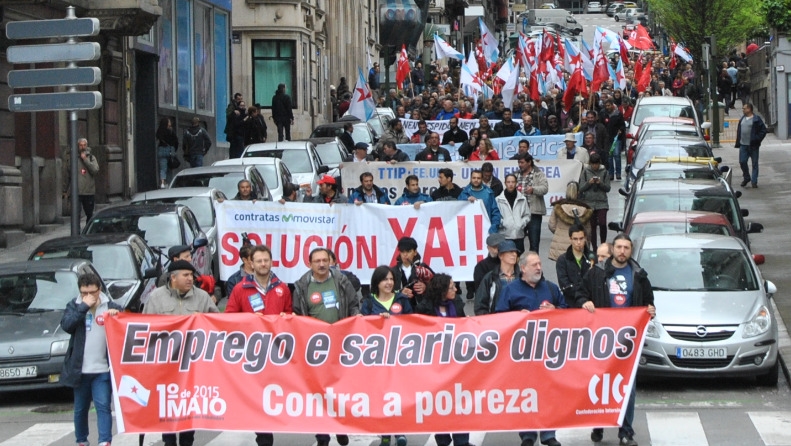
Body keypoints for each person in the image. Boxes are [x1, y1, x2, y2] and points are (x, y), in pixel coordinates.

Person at [576, 233, 656, 446]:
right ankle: (598, 423)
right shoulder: (597, 273)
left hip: (628, 341)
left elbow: (649, 302)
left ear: (631, 250)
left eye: (626, 248)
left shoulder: (639, 275)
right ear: (613, 249)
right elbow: (580, 293)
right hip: (602, 339)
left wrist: (650, 310)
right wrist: (585, 302)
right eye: (619, 247)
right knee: (600, 382)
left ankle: (626, 432)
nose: (622, 251)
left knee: (627, 386)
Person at [144, 260, 219, 446]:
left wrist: (204, 319)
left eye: (191, 275)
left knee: (188, 408)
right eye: (185, 275)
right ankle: (169, 440)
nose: (190, 279)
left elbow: (218, 324)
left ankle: (187, 441)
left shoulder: (202, 297)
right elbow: (145, 327)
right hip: (165, 365)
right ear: (173, 277)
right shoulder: (156, 297)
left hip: (192, 365)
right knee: (167, 408)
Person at [494, 251, 565, 446]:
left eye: (540, 264)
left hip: (547, 351)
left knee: (548, 393)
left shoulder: (551, 288)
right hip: (522, 353)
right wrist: (516, 316)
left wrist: (556, 311)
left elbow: (567, 313)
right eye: (534, 265)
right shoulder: (511, 290)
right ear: (523, 268)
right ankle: (528, 434)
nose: (539, 268)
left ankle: (548, 434)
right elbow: (498, 316)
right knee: (526, 393)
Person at [292, 247, 358, 446]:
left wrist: (356, 318)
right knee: (318, 394)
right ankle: (322, 435)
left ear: (330, 262)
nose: (321, 264)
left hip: (340, 345)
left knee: (339, 391)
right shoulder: (301, 286)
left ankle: (340, 428)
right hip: (315, 350)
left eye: (324, 260)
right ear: (309, 264)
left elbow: (354, 304)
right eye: (317, 261)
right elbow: (297, 313)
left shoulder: (342, 281)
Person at [61, 272, 122, 446]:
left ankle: (104, 440)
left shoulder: (110, 305)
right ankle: (81, 440)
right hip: (80, 370)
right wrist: (83, 307)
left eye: (92, 293)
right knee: (80, 409)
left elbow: (126, 327)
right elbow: (67, 325)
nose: (88, 297)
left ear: (99, 290)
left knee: (103, 406)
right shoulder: (74, 306)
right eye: (84, 293)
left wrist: (117, 316)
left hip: (102, 369)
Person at [415, 274, 473, 446]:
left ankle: (462, 440)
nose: (456, 289)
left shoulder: (457, 304)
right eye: (451, 287)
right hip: (435, 364)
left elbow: (463, 327)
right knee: (439, 402)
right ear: (441, 291)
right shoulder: (424, 309)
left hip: (456, 361)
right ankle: (442, 438)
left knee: (460, 401)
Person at [548, 181, 592, 261]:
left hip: (560, 245)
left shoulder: (558, 207)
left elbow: (552, 225)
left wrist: (559, 232)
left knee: (561, 267)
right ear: (578, 193)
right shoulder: (585, 210)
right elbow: (588, 231)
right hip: (578, 245)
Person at [474, 240, 519, 315]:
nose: (514, 254)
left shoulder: (523, 277)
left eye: (515, 252)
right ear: (500, 256)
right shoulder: (490, 278)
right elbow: (480, 305)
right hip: (496, 319)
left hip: (519, 320)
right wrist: (489, 319)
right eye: (510, 252)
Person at [516, 153, 548, 253]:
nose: (520, 165)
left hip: (534, 213)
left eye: (522, 162)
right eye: (519, 162)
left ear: (529, 162)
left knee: (534, 243)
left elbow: (545, 188)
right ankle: (518, 262)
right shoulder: (516, 174)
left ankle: (534, 262)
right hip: (519, 213)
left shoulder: (538, 174)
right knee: (517, 243)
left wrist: (533, 189)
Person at [391, 236, 434, 310]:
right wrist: (399, 293)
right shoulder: (393, 271)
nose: (405, 255)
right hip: (399, 309)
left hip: (421, 310)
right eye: (402, 251)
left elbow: (438, 287)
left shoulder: (423, 268)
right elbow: (385, 292)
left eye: (408, 251)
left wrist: (426, 287)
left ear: (415, 252)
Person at [578, 153, 611, 251]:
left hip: (601, 202)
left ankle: (603, 244)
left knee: (602, 223)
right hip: (589, 202)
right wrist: (589, 183)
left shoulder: (604, 172)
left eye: (596, 164)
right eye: (593, 164)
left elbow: (608, 188)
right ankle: (595, 248)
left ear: (599, 163)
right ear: (590, 163)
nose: (595, 166)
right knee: (592, 226)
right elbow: (581, 188)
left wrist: (600, 183)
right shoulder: (585, 171)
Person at [63, 138, 100, 221]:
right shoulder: (72, 159)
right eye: (81, 145)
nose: (83, 147)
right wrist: (65, 190)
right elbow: (67, 175)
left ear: (87, 146)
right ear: (78, 146)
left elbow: (95, 170)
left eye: (84, 145)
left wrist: (85, 160)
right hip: (76, 192)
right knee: (76, 215)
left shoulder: (91, 157)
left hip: (88, 192)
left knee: (89, 214)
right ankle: (77, 229)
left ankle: (88, 229)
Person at [555, 223, 593, 302]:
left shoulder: (592, 258)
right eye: (575, 239)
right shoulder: (562, 260)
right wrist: (582, 298)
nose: (578, 242)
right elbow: (565, 285)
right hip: (571, 303)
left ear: (585, 238)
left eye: (581, 238)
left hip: (591, 301)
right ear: (570, 239)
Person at [459, 169, 502, 234]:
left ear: (482, 179)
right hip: (469, 230)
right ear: (470, 178)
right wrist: (466, 199)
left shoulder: (489, 193)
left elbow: (495, 212)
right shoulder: (465, 193)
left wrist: (493, 228)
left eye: (478, 178)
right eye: (474, 178)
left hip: (486, 230)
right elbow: (458, 206)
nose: (476, 180)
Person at [496, 174, 530, 253]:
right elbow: (496, 216)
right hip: (504, 235)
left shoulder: (522, 199)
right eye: (508, 182)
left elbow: (527, 215)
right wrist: (503, 223)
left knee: (518, 257)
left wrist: (521, 224)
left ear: (516, 183)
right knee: (505, 257)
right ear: (505, 183)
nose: (511, 184)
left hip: (518, 235)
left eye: (513, 182)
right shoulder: (498, 200)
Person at [735, 103, 767, 188]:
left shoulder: (756, 119)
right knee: (742, 162)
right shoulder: (742, 118)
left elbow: (763, 130)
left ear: (749, 109)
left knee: (754, 164)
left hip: (753, 145)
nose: (743, 110)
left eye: (744, 108)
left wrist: (757, 139)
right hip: (743, 145)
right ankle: (747, 177)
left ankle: (754, 181)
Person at [467, 233, 505, 301]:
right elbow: (480, 291)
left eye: (499, 247)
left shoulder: (510, 262)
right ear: (488, 248)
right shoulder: (481, 266)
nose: (497, 250)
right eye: (494, 247)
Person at [601, 99, 625, 180]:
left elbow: (622, 125)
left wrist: (620, 130)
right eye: (606, 106)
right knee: (609, 156)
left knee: (617, 155)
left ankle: (618, 173)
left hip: (616, 138)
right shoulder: (603, 114)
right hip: (607, 139)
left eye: (609, 105)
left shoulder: (618, 114)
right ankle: (611, 173)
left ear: (612, 105)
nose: (607, 107)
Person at [156, 117, 179, 188]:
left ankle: (162, 183)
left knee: (162, 168)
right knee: (170, 167)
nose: (170, 123)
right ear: (167, 123)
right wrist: (174, 150)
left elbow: (158, 137)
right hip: (170, 150)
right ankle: (169, 184)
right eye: (169, 122)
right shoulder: (171, 131)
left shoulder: (160, 130)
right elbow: (176, 141)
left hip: (161, 150)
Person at [225, 93, 246, 158]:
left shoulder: (240, 109)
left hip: (238, 133)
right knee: (235, 149)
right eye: (238, 99)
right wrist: (233, 112)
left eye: (241, 99)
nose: (240, 100)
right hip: (234, 132)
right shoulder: (232, 106)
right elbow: (229, 115)